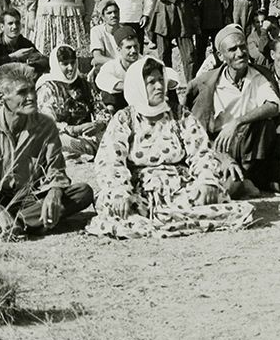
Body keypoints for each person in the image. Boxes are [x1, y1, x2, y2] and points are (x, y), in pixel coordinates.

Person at [87, 57, 254, 239]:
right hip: (139, 190)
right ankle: (177, 218)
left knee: (216, 197)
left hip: (179, 188)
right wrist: (119, 191)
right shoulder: (124, 119)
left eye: (161, 80)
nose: (159, 86)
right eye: (151, 82)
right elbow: (110, 160)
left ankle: (162, 219)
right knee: (112, 205)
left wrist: (206, 181)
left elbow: (201, 151)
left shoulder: (179, 114)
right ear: (138, 86)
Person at [0, 63, 93, 235]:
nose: (31, 97)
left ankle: (10, 224)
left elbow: (56, 170)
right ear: (1, 96)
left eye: (32, 90)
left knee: (83, 192)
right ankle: (21, 222)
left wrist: (54, 192)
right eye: (22, 92)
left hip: (28, 199)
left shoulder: (45, 125)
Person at [185, 24, 280, 192]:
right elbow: (197, 134)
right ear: (220, 56)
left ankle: (252, 178)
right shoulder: (207, 85)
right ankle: (242, 182)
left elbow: (273, 106)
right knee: (228, 189)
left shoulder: (258, 76)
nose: (240, 53)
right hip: (217, 147)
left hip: (248, 145)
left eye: (242, 46)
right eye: (232, 49)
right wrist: (222, 156)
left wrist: (237, 122)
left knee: (267, 124)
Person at [36, 44, 108, 159]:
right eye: (65, 64)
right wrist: (73, 129)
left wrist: (100, 124)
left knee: (111, 136)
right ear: (56, 64)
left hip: (87, 135)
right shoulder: (48, 88)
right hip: (64, 136)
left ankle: (85, 152)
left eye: (73, 62)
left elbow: (101, 109)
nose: (71, 68)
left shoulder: (84, 84)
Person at [0, 7, 48, 82]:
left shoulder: (24, 42)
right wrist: (13, 56)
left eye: (17, 22)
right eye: (10, 23)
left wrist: (29, 65)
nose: (15, 27)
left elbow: (44, 61)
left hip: (18, 79)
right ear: (2, 27)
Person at [95, 25, 147, 113]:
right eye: (128, 47)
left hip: (142, 101)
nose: (133, 51)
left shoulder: (146, 62)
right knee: (108, 95)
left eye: (136, 46)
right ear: (119, 49)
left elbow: (169, 75)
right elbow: (101, 80)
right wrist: (129, 86)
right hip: (121, 104)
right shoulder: (112, 65)